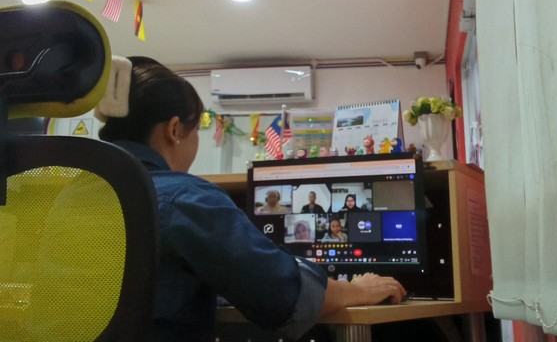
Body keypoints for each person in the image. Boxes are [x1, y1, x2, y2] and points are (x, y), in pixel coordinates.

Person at [97, 56, 406, 342]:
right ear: (175, 129)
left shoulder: (76, 193)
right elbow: (284, 296)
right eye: (197, 131)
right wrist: (357, 289)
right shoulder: (186, 199)